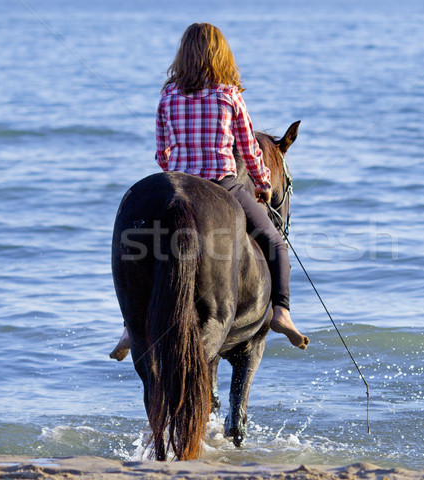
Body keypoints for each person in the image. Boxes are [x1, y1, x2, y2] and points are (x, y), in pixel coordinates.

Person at [110, 23, 308, 361]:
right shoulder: (229, 95)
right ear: (221, 55)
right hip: (223, 185)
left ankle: (130, 325)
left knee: (142, 253)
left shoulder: (168, 95)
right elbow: (248, 150)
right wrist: (261, 182)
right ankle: (281, 313)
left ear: (182, 56)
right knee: (275, 242)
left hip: (180, 185)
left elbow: (162, 154)